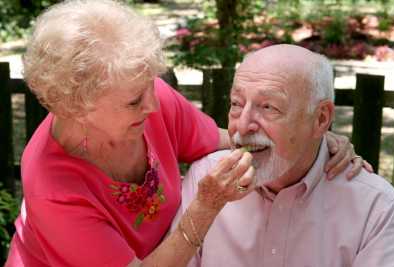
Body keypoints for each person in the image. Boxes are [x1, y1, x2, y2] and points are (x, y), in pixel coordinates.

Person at [5, 1, 365, 266]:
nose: (153, 104)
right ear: (79, 108)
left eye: (151, 85)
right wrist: (205, 207)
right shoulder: (53, 187)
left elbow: (231, 139)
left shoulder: (152, 100)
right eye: (133, 101)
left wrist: (310, 137)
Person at [175, 44, 394, 267]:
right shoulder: (205, 181)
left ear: (321, 119)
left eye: (268, 107)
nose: (242, 126)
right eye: (236, 104)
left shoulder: (376, 209)